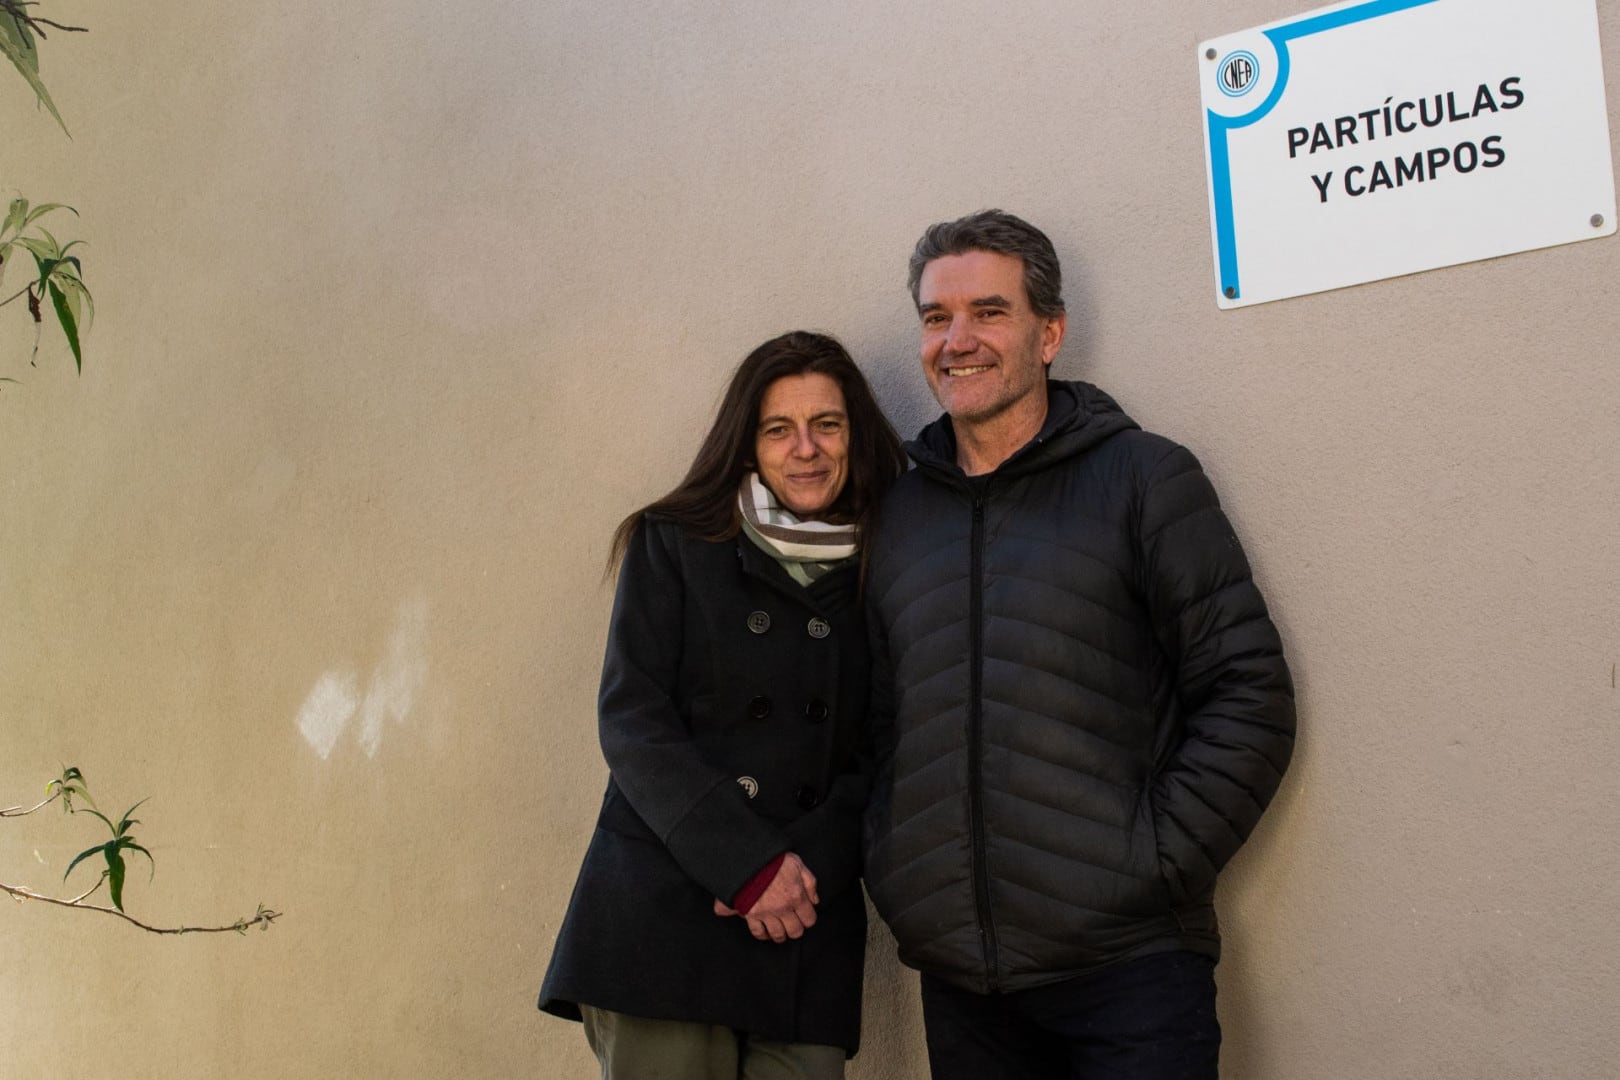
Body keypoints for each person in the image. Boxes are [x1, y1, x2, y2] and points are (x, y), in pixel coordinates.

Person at [862, 210, 1297, 1079]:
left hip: (1129, 974)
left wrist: (1152, 863)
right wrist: (900, 874)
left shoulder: (1143, 478)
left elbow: (1249, 691)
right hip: (962, 984)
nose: (957, 341)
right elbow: (875, 721)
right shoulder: (899, 516)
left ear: (1049, 332)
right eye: (935, 317)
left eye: (988, 312)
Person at [540, 331, 906, 1079]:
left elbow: (887, 744)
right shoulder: (675, 543)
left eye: (826, 425)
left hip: (805, 915)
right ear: (747, 444)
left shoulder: (894, 559)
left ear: (854, 435)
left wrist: (801, 871)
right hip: (668, 914)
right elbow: (634, 723)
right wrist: (745, 865)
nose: (805, 449)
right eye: (779, 429)